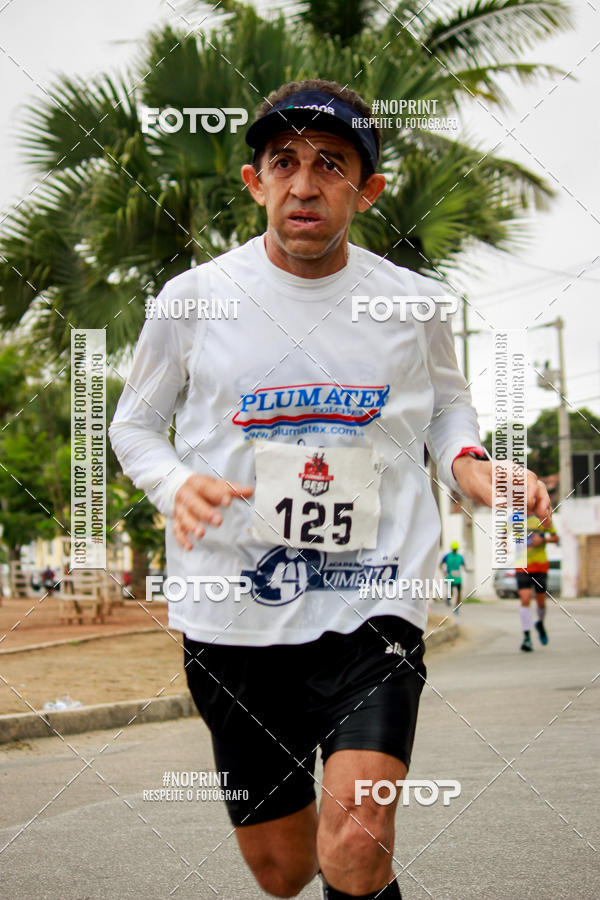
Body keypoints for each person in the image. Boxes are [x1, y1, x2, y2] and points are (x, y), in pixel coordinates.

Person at [109, 79, 552, 900]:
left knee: (356, 835)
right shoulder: (193, 300)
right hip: (232, 613)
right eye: (285, 162)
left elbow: (446, 405)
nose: (305, 185)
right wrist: (175, 485)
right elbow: (133, 425)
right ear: (256, 182)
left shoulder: (413, 304)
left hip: (373, 602)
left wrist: (469, 464)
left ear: (367, 189)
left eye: (332, 165)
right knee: (283, 872)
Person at [516, 514, 558, 652]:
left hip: (540, 566)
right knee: (525, 599)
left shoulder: (543, 519)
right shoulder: (514, 519)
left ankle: (540, 623)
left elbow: (556, 538)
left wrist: (543, 539)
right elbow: (502, 533)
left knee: (541, 602)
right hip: (522, 565)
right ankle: (527, 637)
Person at [440, 541, 467, 612]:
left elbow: (464, 565)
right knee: (451, 592)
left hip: (457, 578)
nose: (455, 550)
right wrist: (444, 572)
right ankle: (448, 599)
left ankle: (456, 607)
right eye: (454, 549)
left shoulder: (459, 557)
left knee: (459, 593)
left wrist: (443, 571)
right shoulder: (448, 556)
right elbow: (441, 564)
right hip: (450, 577)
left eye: (456, 549)